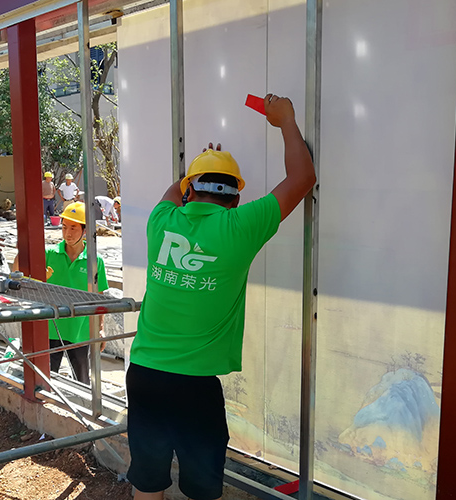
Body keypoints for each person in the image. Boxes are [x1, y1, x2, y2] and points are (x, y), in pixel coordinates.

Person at [126, 94, 315, 500]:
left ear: (189, 192)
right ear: (236, 200)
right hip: (195, 387)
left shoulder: (161, 221)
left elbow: (173, 193)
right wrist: (285, 120)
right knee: (201, 488)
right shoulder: (240, 227)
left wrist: (200, 165)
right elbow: (302, 178)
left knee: (148, 479)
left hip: (144, 374)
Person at [13, 202, 108, 383]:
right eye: (64, 227)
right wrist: (22, 250)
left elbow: (98, 296)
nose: (67, 233)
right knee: (46, 379)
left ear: (85, 230)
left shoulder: (95, 261)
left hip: (79, 329)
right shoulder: (49, 253)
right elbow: (18, 273)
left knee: (81, 380)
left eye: (73, 228)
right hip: (50, 327)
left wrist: (100, 328)